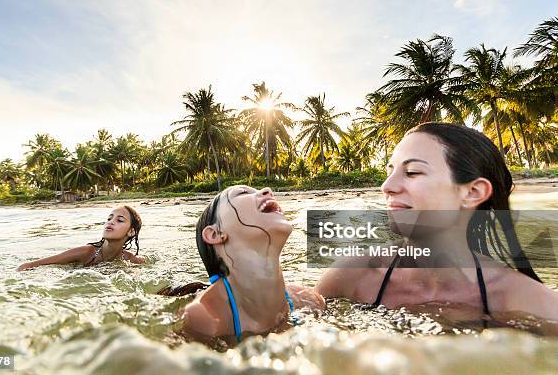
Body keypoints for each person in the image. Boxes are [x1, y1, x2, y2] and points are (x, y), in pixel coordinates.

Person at [316, 122, 558, 322]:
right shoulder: (351, 276)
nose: (387, 186)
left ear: (472, 192)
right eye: (389, 171)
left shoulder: (524, 300)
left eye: (412, 172)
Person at [183, 185, 325, 342]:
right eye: (243, 193)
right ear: (215, 234)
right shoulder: (204, 318)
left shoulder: (309, 301)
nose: (268, 190)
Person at [17, 205, 145, 271]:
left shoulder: (130, 259)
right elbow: (31, 265)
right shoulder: (87, 253)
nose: (110, 222)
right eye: (109, 218)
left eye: (120, 220)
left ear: (131, 231)